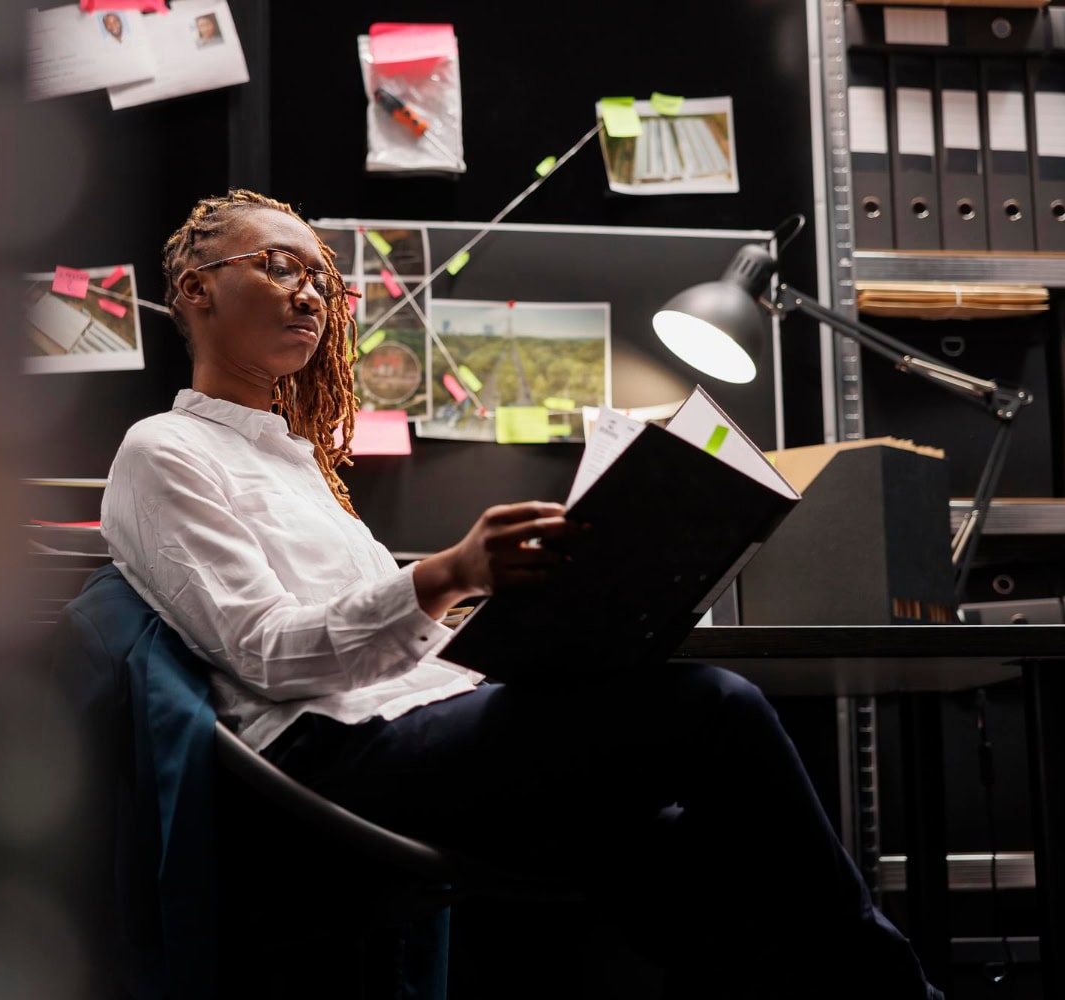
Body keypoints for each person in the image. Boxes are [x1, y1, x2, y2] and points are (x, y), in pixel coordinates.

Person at [101, 189, 944, 999]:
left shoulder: (299, 465)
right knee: (716, 706)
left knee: (694, 861)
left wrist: (551, 619)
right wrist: (450, 572)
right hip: (330, 758)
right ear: (197, 288)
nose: (311, 292)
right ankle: (897, 990)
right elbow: (270, 652)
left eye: (321, 275)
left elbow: (372, 639)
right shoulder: (166, 450)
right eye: (281, 266)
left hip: (411, 726)